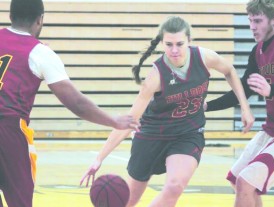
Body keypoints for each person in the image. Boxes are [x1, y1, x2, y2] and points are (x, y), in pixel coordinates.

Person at [80, 15, 254, 207]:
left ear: (189, 40)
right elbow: (129, 121)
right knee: (129, 201)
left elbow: (229, 71)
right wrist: (99, 158)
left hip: (188, 134)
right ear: (162, 43)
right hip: (151, 135)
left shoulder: (204, 57)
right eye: (169, 44)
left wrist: (245, 108)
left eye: (179, 44)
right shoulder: (155, 76)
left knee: (174, 186)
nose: (174, 50)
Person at [0, 0, 140, 206]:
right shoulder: (39, 52)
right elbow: (76, 103)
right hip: (9, 131)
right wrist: (114, 121)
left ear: (10, 16)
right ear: (40, 20)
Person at [205, 0, 274, 207]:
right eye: (250, 20)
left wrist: (271, 90)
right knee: (237, 179)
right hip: (273, 129)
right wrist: (205, 107)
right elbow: (242, 92)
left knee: (246, 182)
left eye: (257, 21)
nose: (252, 26)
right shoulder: (257, 52)